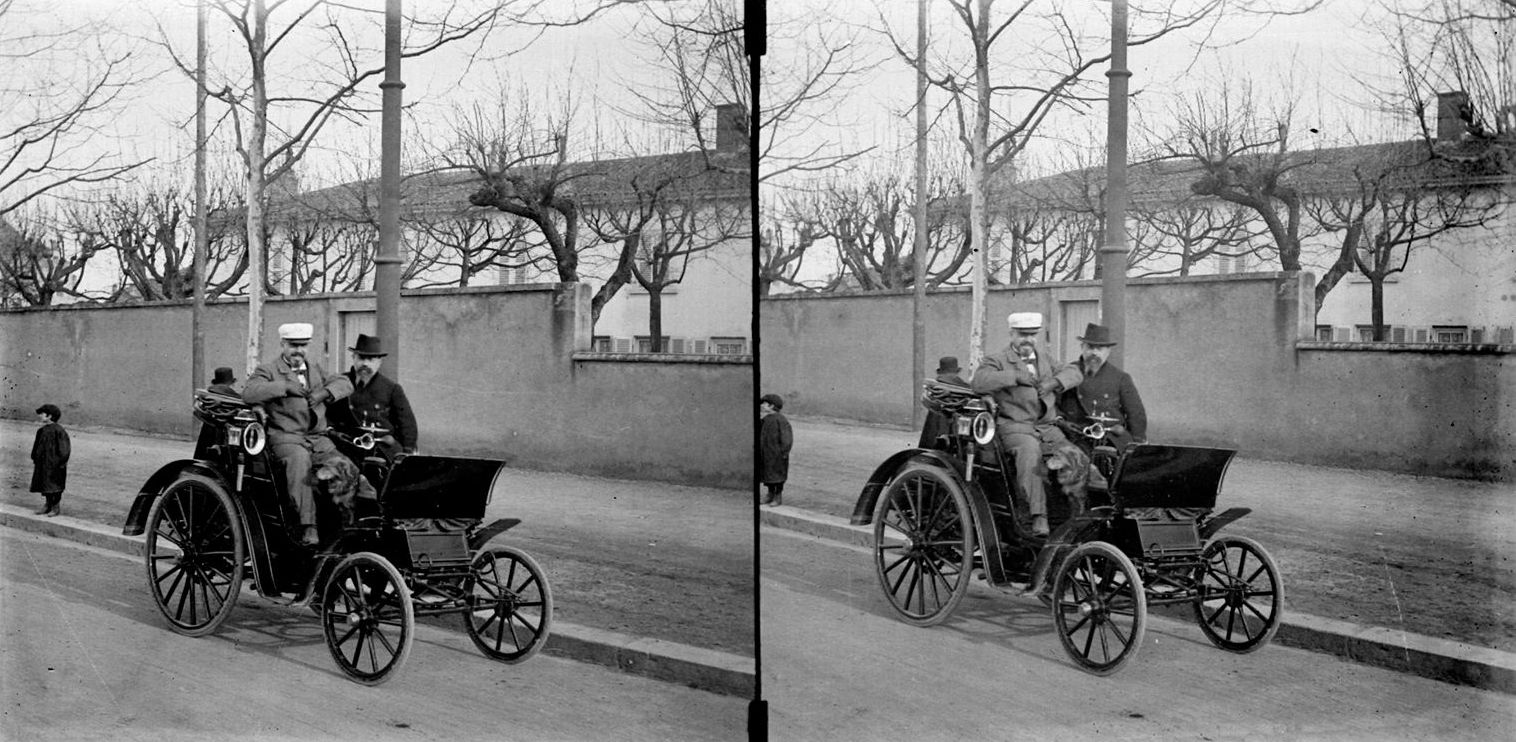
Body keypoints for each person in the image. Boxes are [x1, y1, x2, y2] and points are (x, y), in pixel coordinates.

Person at [970, 312, 1083, 536]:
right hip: (1015, 427)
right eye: (1022, 335)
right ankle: (1037, 516)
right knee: (1030, 455)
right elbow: (979, 382)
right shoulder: (997, 360)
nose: (1028, 340)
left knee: (1077, 458)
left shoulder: (1046, 359)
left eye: (1032, 335)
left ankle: (1078, 516)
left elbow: (1075, 372)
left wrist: (1054, 382)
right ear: (1011, 334)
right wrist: (1013, 376)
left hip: (1047, 428)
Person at [241, 322, 353, 546]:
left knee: (344, 466)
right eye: (293, 345)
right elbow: (249, 393)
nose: (298, 351)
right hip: (286, 437)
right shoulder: (268, 370)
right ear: (282, 344)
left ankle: (346, 524)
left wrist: (324, 392)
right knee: (300, 463)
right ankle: (307, 526)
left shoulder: (317, 369)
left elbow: (345, 382)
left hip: (317, 439)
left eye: (303, 346)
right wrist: (283, 386)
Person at [328, 333, 418, 463]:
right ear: (353, 358)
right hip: (347, 447)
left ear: (379, 362)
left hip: (382, 449)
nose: (365, 363)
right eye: (361, 358)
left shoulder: (392, 389)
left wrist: (407, 453)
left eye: (371, 360)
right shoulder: (339, 382)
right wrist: (331, 431)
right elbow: (326, 414)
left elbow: (407, 425)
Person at [1058, 323, 1147, 451]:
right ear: (1082, 347)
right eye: (1090, 347)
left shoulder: (1121, 378)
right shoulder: (1067, 372)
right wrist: (1062, 422)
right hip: (1074, 436)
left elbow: (1136, 414)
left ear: (1108, 351)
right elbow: (1052, 404)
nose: (1094, 353)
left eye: (1100, 349)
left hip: (1111, 437)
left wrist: (1138, 445)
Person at [918, 356, 969, 449]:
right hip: (957, 422)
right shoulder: (964, 386)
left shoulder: (935, 385)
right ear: (957, 371)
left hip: (937, 419)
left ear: (939, 371)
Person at [30, 403, 70, 518]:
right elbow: (36, 446)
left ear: (50, 416)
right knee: (45, 485)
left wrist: (61, 462)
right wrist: (35, 457)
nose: (40, 416)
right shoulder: (41, 431)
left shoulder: (59, 431)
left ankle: (55, 506)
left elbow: (64, 449)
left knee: (55, 486)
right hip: (43, 463)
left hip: (55, 465)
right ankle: (47, 505)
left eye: (42, 414)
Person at [759, 393, 793, 507]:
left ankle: (778, 497)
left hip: (777, 455)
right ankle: (770, 494)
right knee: (768, 475)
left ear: (772, 406)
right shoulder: (765, 420)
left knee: (778, 477)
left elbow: (787, 438)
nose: (762, 406)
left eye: (764, 404)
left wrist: (784, 452)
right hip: (766, 454)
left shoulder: (781, 420)